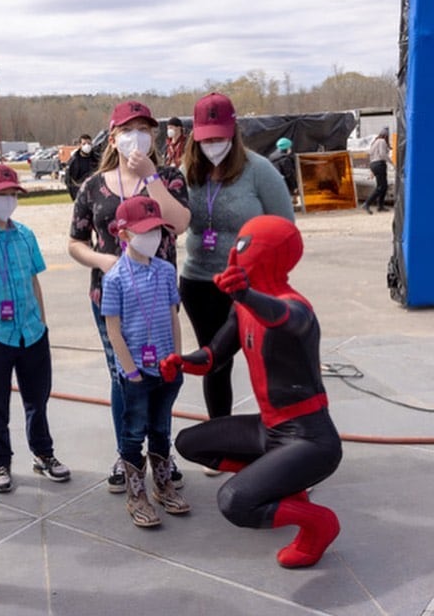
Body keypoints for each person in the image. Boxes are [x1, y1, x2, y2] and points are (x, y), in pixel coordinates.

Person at [162, 215, 342, 568]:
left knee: (235, 502)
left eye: (245, 246)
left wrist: (246, 294)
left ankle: (319, 523)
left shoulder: (295, 307)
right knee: (189, 443)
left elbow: (283, 318)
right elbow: (213, 356)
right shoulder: (241, 307)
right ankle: (283, 483)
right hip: (270, 429)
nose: (236, 252)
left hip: (310, 438)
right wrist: (181, 361)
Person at [68, 100, 190, 493]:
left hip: (158, 295)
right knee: (125, 377)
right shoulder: (94, 185)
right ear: (114, 136)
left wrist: (151, 176)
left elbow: (181, 223)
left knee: (162, 374)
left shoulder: (168, 177)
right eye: (128, 129)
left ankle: (160, 453)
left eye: (144, 129)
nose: (137, 136)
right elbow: (74, 241)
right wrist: (102, 260)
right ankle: (128, 455)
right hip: (113, 296)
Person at [179, 92, 294, 439]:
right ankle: (220, 437)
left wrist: (275, 282)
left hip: (250, 286)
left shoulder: (259, 171)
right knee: (215, 363)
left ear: (234, 132)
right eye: (206, 138)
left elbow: (285, 228)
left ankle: (284, 436)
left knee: (267, 362)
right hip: (200, 283)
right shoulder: (189, 173)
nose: (213, 144)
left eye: (220, 137)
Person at [0, 164, 71, 494]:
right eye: (0, 195)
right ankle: (0, 460)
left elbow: (33, 279)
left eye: (12, 195)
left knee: (37, 399)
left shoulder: (25, 235)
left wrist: (42, 323)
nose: (7, 201)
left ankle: (43, 453)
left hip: (32, 332)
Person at [102, 196, 190, 527]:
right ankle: (135, 493)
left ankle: (163, 484)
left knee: (161, 428)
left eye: (157, 231)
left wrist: (176, 359)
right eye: (145, 231)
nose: (153, 238)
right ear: (124, 235)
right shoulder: (115, 279)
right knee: (133, 430)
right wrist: (130, 371)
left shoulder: (166, 271)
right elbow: (114, 331)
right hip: (137, 371)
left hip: (166, 367)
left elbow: (173, 316)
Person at [362, 127, 393, 214]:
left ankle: (380, 206)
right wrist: (392, 163)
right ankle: (367, 203)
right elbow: (382, 154)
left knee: (384, 186)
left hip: (374, 165)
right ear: (386, 135)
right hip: (380, 164)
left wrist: (371, 170)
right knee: (381, 187)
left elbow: (371, 156)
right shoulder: (382, 141)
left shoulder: (375, 142)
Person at [65, 133, 99, 200]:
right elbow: (68, 180)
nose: (87, 146)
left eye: (89, 143)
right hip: (80, 193)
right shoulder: (74, 161)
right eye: (84, 144)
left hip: (94, 194)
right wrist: (75, 196)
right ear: (80, 145)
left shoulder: (96, 159)